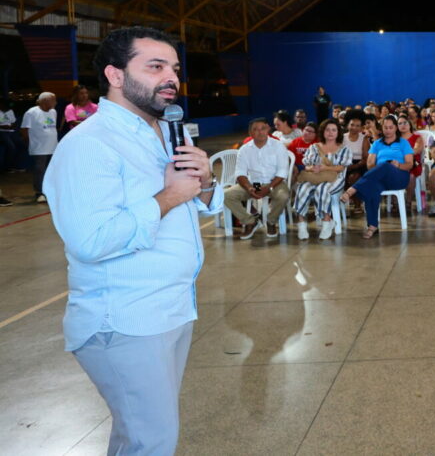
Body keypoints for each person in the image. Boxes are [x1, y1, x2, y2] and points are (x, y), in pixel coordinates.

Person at [43, 25, 222, 456]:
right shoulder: (90, 144)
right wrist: (170, 196)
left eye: (173, 68)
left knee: (141, 437)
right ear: (116, 75)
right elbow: (91, 240)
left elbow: (190, 205)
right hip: (124, 320)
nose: (171, 78)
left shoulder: (166, 133)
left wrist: (205, 183)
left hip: (169, 309)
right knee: (151, 441)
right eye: (155, 66)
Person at [338, 115, 414, 239]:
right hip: (380, 177)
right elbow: (370, 164)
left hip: (399, 176)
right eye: (385, 127)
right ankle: (372, 226)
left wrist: (398, 165)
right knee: (372, 188)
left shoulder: (403, 143)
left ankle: (353, 189)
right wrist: (380, 170)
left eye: (391, 127)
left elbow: (410, 164)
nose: (388, 130)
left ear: (396, 128)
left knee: (385, 165)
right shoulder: (377, 143)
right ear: (381, 128)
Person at [224, 118, 291, 239]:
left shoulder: (278, 146)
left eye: (263, 128)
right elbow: (240, 173)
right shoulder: (245, 149)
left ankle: (270, 221)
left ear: (268, 129)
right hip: (254, 184)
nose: (260, 132)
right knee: (226, 195)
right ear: (250, 133)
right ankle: (250, 221)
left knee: (283, 196)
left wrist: (268, 187)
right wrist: (249, 188)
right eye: (255, 129)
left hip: (274, 183)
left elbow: (282, 172)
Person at [293, 118, 352, 240]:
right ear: (322, 132)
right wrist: (312, 168)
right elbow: (306, 165)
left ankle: (327, 221)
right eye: (327, 130)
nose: (330, 133)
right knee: (302, 187)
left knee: (323, 189)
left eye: (334, 130)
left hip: (335, 178)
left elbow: (341, 168)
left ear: (338, 133)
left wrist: (325, 168)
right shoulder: (314, 147)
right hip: (315, 176)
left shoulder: (344, 149)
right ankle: (301, 223)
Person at [22, 91, 59, 203]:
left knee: (51, 170)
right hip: (39, 148)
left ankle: (49, 190)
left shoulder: (53, 111)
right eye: (53, 100)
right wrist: (30, 143)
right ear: (45, 101)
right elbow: (24, 129)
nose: (56, 102)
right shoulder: (31, 112)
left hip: (53, 146)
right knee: (40, 170)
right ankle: (39, 192)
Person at [341, 110, 371, 212]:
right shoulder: (342, 138)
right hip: (345, 164)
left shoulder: (364, 138)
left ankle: (357, 203)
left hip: (360, 165)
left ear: (361, 127)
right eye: (352, 125)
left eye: (358, 126)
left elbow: (365, 158)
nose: (354, 128)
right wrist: (345, 166)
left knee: (354, 177)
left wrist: (354, 166)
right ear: (347, 125)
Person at [397, 116, 424, 210]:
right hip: (397, 164)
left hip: (414, 164)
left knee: (411, 176)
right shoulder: (395, 138)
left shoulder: (417, 137)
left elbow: (416, 151)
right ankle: (395, 202)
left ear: (410, 124)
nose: (402, 125)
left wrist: (401, 154)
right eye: (399, 123)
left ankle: (408, 201)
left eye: (405, 122)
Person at [0, 97, 26, 173]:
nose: (7, 108)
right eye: (6, 106)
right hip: (1, 132)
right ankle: (7, 168)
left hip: (11, 132)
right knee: (11, 147)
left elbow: (14, 122)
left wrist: (11, 126)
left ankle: (16, 166)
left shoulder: (10, 111)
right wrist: (3, 127)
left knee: (22, 145)